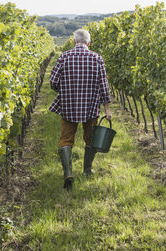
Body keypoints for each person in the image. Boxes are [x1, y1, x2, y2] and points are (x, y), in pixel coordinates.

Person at [49, 29, 112, 190]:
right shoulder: (97, 58)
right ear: (88, 43)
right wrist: (107, 108)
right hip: (90, 107)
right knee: (90, 139)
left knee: (66, 139)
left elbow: (53, 81)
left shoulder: (64, 57)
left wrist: (65, 91)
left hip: (68, 107)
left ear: (74, 41)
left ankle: (68, 174)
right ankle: (87, 170)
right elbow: (103, 85)